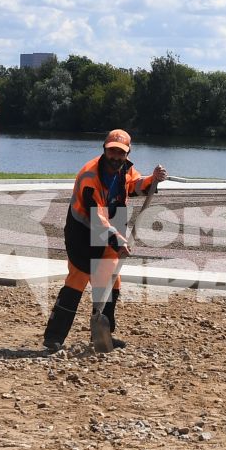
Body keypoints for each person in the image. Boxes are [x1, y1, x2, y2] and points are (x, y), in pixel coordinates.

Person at [43, 129, 167, 352]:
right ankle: (53, 338)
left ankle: (102, 335)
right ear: (104, 149)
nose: (116, 157)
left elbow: (135, 185)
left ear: (127, 154)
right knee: (77, 281)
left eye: (120, 153)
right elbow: (97, 219)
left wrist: (152, 180)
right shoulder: (90, 176)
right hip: (83, 231)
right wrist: (118, 240)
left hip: (112, 227)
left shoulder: (125, 169)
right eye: (112, 151)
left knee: (110, 281)